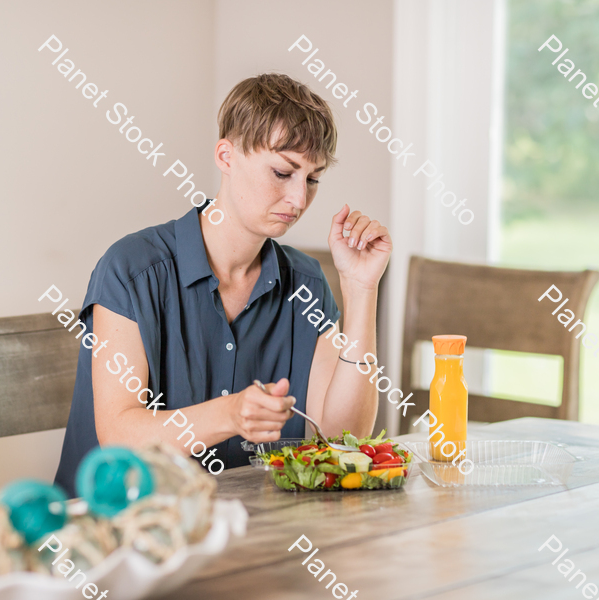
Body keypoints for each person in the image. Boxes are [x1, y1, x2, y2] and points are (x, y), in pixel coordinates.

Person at [54, 73, 393, 497]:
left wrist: (361, 289)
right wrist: (231, 414)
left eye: (312, 179)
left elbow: (343, 439)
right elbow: (121, 434)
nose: (299, 199)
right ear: (226, 156)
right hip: (112, 532)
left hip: (242, 531)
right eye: (282, 172)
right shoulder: (132, 270)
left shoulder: (305, 284)